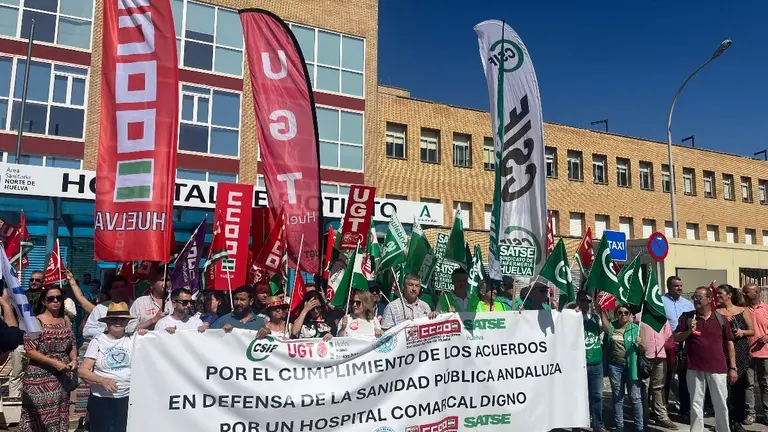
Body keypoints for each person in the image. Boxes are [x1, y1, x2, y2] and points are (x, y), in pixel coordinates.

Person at [674, 286, 737, 432]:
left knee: (720, 403)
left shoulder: (720, 319)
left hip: (717, 367)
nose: (695, 300)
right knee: (696, 403)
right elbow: (676, 337)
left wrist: (732, 367)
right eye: (693, 297)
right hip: (694, 366)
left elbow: (729, 342)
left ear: (709, 299)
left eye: (698, 297)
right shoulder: (687, 317)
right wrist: (689, 330)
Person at [78, 302, 147, 432]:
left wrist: (148, 333)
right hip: (102, 399)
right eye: (114, 319)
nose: (118, 322)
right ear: (107, 322)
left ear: (127, 322)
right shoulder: (97, 341)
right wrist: (103, 380)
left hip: (127, 399)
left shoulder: (133, 339)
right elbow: (83, 370)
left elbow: (158, 343)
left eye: (122, 320)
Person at [20, 285, 77, 431]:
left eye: (59, 298)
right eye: (51, 298)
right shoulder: (36, 321)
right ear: (44, 302)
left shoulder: (65, 320)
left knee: (59, 413)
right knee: (40, 416)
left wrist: (74, 359)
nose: (56, 301)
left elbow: (72, 344)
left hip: (62, 377)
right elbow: (29, 351)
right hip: (39, 377)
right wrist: (54, 362)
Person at [715, 284, 753, 431]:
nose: (717, 296)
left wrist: (742, 332)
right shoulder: (716, 313)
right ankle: (726, 420)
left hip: (741, 350)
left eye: (720, 294)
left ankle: (737, 420)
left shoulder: (742, 310)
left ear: (729, 295)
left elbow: (752, 330)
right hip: (722, 351)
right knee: (724, 388)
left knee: (739, 386)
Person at [607, 304, 644, 432]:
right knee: (618, 397)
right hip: (615, 366)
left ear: (630, 315)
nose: (623, 315)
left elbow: (644, 350)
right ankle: (619, 427)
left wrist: (641, 344)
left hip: (632, 366)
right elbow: (606, 346)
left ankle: (639, 428)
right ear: (616, 314)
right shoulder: (611, 327)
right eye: (620, 313)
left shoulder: (635, 328)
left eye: (626, 313)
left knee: (635, 398)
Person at [576, 290, 610, 432]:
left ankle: (598, 425)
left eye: (588, 301)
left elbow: (608, 330)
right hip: (579, 364)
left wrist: (601, 312)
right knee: (578, 396)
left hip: (596, 363)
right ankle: (576, 424)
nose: (586, 304)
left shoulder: (596, 317)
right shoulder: (573, 317)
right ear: (578, 301)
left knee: (597, 396)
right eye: (583, 300)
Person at [8, 270, 45, 399]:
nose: (34, 282)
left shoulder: (47, 298)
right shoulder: (21, 296)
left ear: (43, 282)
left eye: (37, 280)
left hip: (38, 342)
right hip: (21, 339)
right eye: (32, 279)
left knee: (35, 374)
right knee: (16, 373)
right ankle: (14, 402)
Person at [662, 275, 694, 419]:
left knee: (683, 379)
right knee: (665, 378)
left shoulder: (688, 304)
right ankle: (662, 410)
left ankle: (685, 409)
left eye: (681, 286)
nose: (680, 288)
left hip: (683, 346)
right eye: (676, 286)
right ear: (669, 286)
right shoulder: (661, 302)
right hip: (666, 345)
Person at [638, 315, 677, 429]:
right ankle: (642, 417)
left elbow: (669, 339)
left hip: (660, 355)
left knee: (659, 387)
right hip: (645, 356)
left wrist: (671, 357)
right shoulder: (638, 316)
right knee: (643, 388)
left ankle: (662, 417)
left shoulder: (662, 317)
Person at [743, 283, 765, 426]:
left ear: (756, 292)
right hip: (747, 354)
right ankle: (750, 413)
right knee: (748, 384)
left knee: (766, 384)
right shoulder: (742, 310)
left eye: (747, 292)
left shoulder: (767, 309)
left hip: (765, 354)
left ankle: (767, 414)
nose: (744, 295)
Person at [126, 268, 173, 333]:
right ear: (152, 283)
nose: (165, 283)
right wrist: (153, 320)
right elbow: (129, 329)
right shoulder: (140, 302)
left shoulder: (175, 301)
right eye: (162, 280)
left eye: (167, 280)